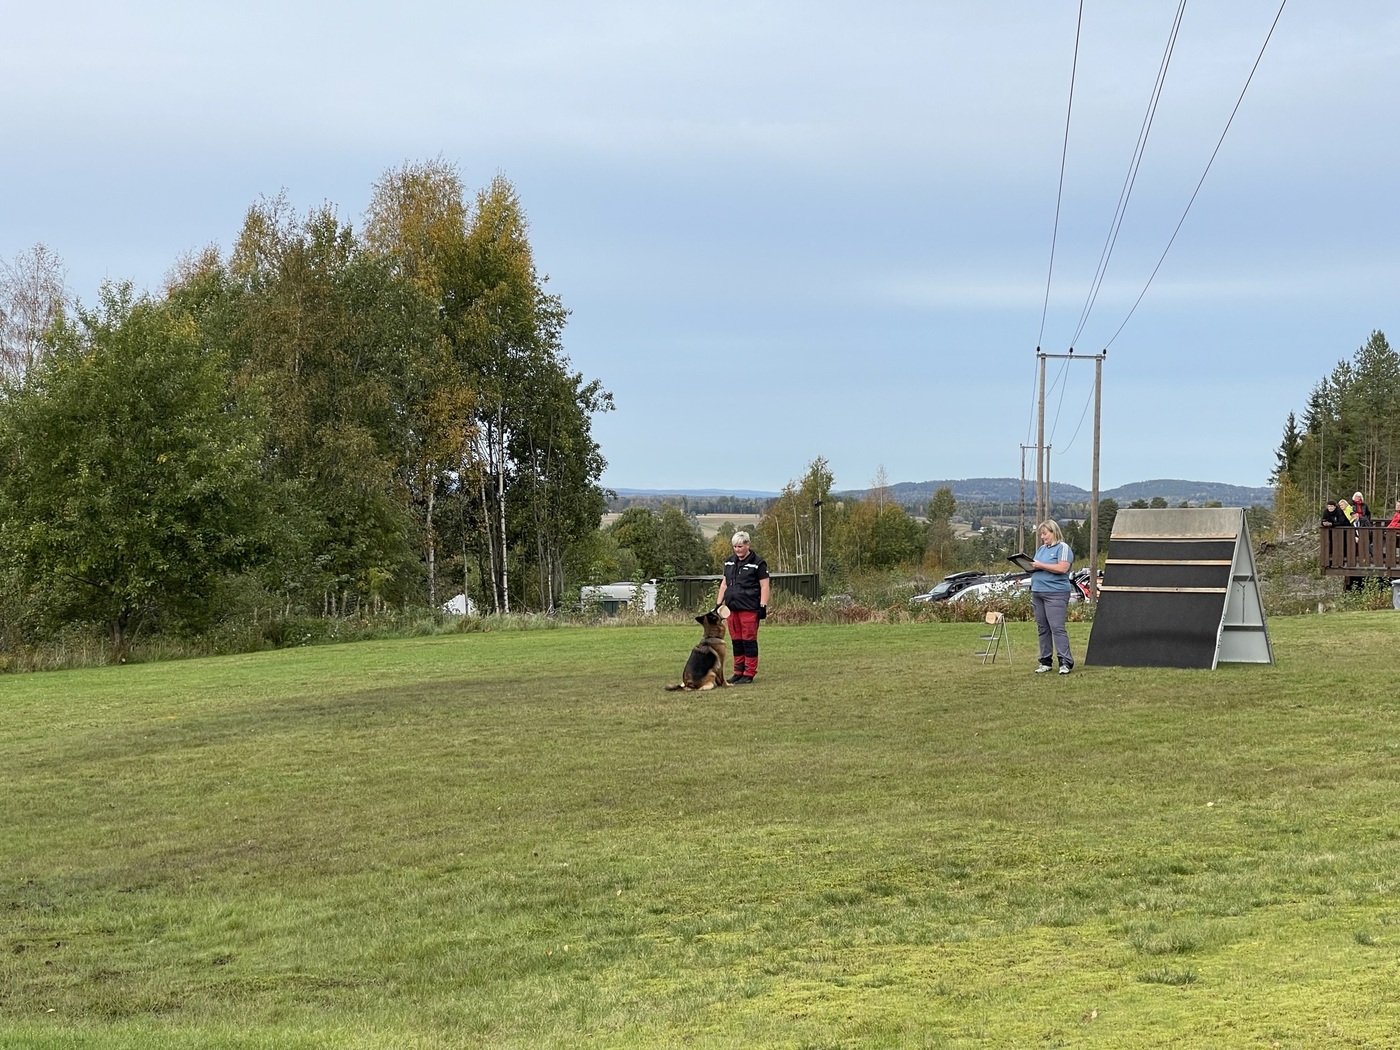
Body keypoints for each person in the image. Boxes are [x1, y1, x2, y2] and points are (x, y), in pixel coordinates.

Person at [715, 531, 770, 685]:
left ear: (748, 545)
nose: (737, 549)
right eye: (735, 547)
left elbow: (765, 586)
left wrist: (763, 606)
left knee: (749, 641)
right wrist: (718, 604)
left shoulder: (758, 563)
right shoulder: (729, 562)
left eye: (740, 546)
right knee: (737, 641)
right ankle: (738, 672)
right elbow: (724, 584)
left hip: (749, 608)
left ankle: (749, 673)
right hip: (732, 609)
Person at [1030, 519, 1074, 675]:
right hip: (1038, 592)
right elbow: (1035, 565)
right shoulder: (1041, 549)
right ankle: (1045, 661)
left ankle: (1065, 661)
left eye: (1045, 534)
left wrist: (1040, 565)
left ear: (1053, 532)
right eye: (1041, 534)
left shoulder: (1063, 548)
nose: (1042, 537)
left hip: (1055, 593)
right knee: (1043, 628)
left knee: (1057, 628)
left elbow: (1062, 568)